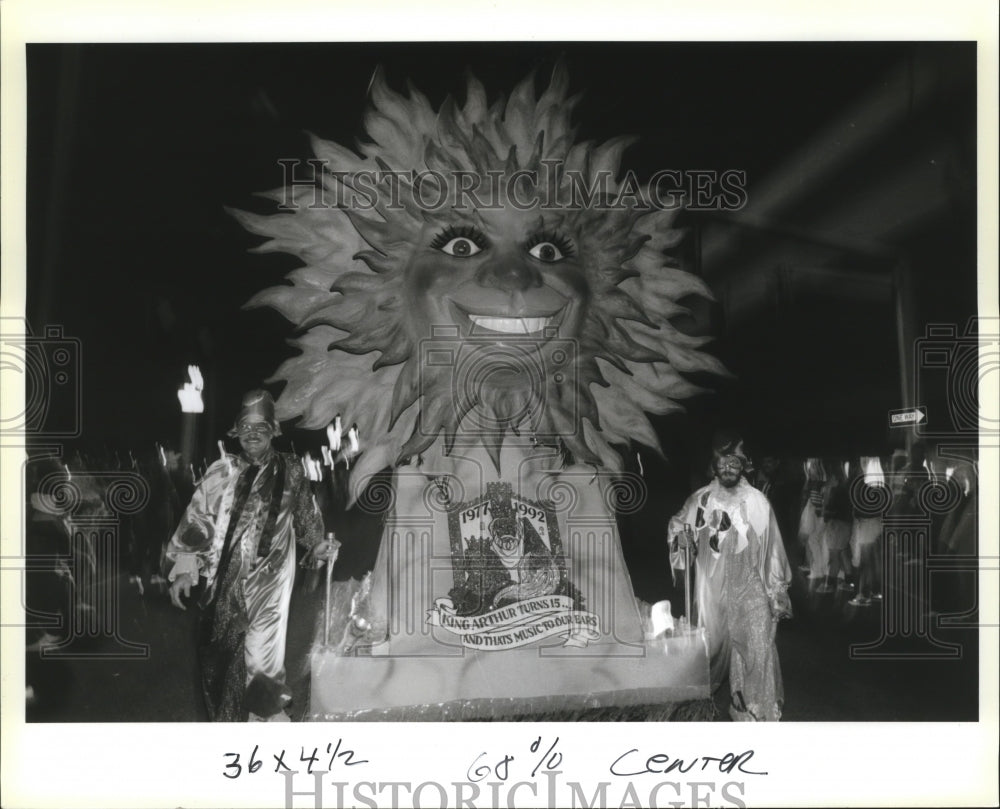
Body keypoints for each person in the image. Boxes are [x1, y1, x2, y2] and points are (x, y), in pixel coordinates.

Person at [165, 389, 336, 721]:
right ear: (236, 431)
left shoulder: (292, 469)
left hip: (272, 578)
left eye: (261, 426)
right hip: (223, 581)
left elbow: (305, 517)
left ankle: (267, 715)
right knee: (222, 657)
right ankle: (236, 717)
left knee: (262, 652)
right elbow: (198, 520)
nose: (253, 433)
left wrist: (316, 545)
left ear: (273, 429)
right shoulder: (220, 472)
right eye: (246, 426)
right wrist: (186, 567)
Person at [668, 432, 792, 721]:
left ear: (743, 466)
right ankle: (726, 700)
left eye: (734, 463)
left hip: (753, 586)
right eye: (722, 463)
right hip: (714, 589)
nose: (728, 468)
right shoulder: (701, 500)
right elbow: (676, 525)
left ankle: (757, 708)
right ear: (714, 466)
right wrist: (682, 539)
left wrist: (777, 589)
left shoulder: (758, 501)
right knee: (716, 647)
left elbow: (773, 545)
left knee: (758, 645)